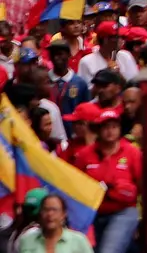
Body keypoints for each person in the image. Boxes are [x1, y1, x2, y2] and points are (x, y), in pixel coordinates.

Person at [71, 108, 139, 253]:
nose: (110, 131)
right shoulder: (85, 155)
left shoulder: (132, 153)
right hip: (92, 213)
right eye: (106, 127)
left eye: (114, 127)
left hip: (123, 211)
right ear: (99, 130)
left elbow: (143, 186)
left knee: (109, 250)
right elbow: (75, 184)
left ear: (120, 129)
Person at [18, 195, 90, 253]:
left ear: (63, 214)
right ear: (40, 213)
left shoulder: (78, 241)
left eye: (54, 210)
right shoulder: (27, 240)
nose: (50, 214)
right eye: (46, 209)